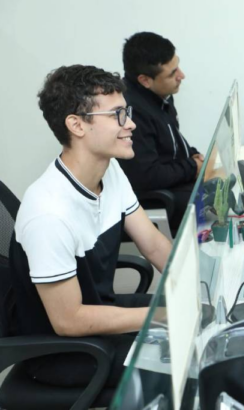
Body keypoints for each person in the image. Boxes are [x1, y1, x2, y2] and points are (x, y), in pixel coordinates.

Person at [10, 65, 172, 389]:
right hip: (63, 352)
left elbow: (153, 244)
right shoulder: (49, 214)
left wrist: (196, 284)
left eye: (127, 112)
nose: (131, 124)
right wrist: (159, 317)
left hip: (98, 313)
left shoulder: (109, 171)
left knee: (192, 329)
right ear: (77, 125)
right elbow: (68, 321)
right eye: (117, 115)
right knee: (185, 362)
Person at [119, 32, 203, 232]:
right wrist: (193, 167)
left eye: (178, 66)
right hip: (155, 195)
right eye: (172, 73)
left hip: (172, 181)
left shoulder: (160, 95)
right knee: (214, 201)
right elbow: (147, 175)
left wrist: (195, 157)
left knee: (223, 185)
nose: (181, 75)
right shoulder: (133, 114)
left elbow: (171, 143)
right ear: (145, 80)